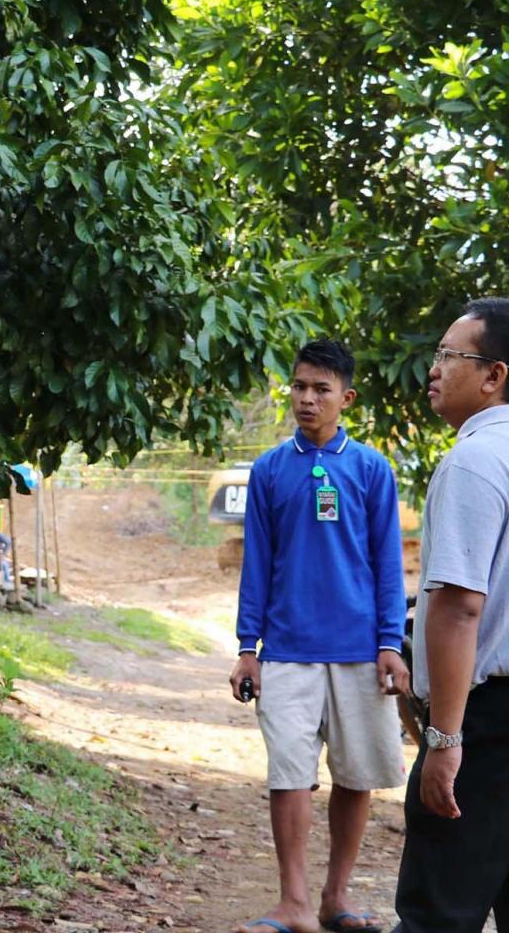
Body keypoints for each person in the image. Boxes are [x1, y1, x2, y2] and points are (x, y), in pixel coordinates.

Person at [229, 338, 409, 933]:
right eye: (300, 386)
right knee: (288, 773)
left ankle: (336, 897)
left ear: (345, 399)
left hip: (359, 651)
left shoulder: (372, 469)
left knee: (356, 776)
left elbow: (388, 565)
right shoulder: (269, 469)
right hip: (287, 651)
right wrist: (248, 648)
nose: (307, 398)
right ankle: (295, 903)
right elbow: (257, 564)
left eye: (321, 389)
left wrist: (390, 643)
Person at [394, 298, 509, 933]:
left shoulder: (475, 460)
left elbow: (460, 608)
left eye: (449, 355)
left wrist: (443, 739)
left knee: (439, 913)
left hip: (486, 725)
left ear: (494, 375)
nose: (433, 368)